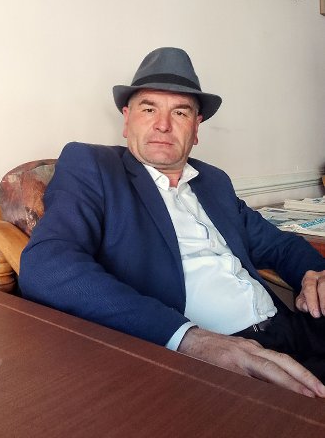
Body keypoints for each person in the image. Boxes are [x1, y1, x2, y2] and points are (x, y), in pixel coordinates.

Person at [19, 47, 325, 397]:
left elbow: (278, 244)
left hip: (293, 327)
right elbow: (47, 266)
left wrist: (315, 273)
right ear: (127, 120)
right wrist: (186, 338)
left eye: (180, 112)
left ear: (196, 128)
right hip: (208, 357)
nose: (163, 124)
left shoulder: (213, 181)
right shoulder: (93, 166)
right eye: (149, 109)